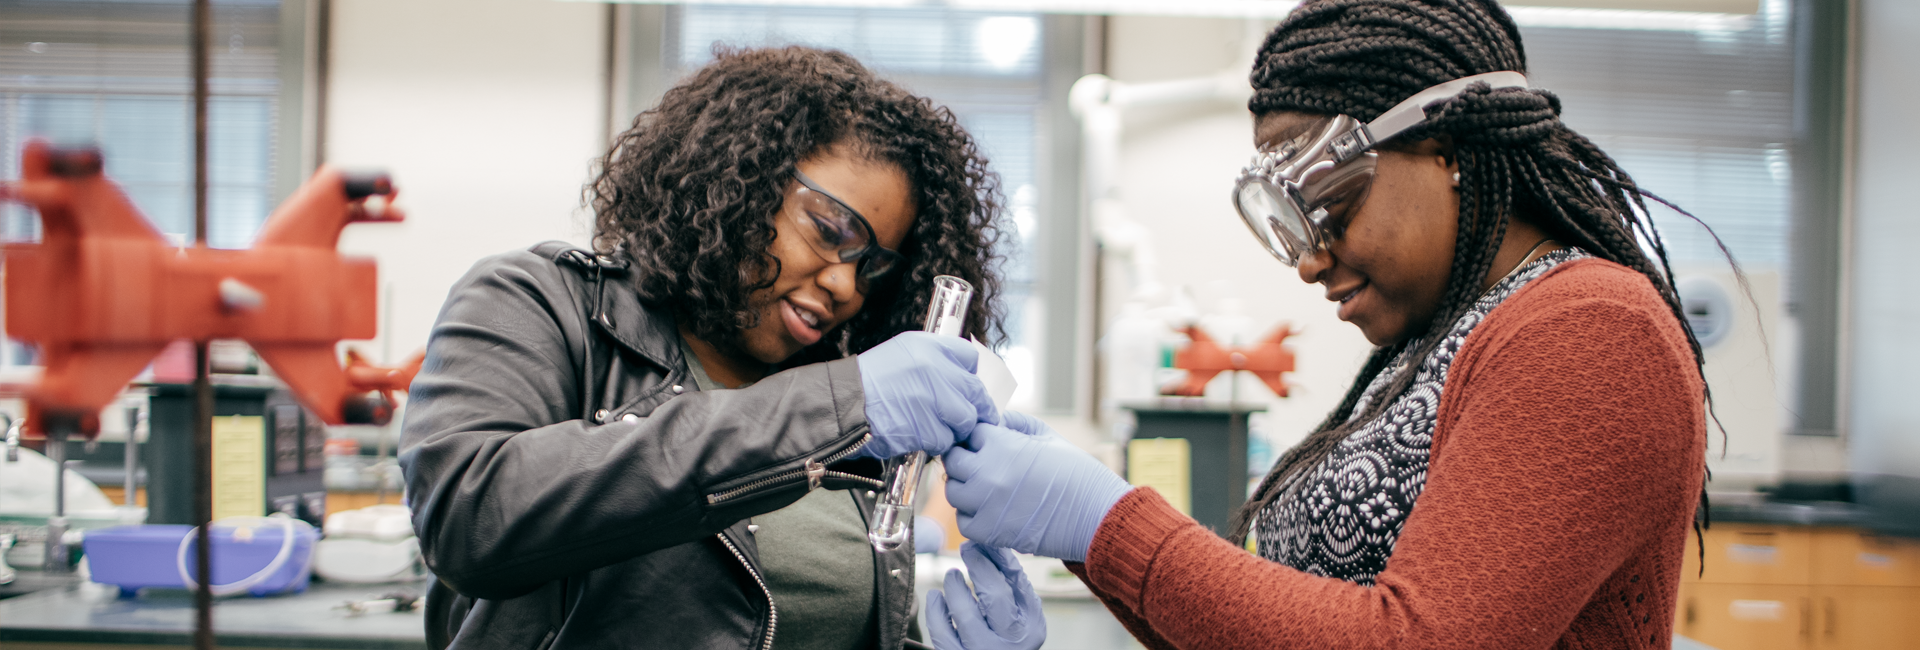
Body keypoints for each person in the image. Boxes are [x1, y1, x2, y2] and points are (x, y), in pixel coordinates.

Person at [929, 1, 1725, 647]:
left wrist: (1107, 522)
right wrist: (1083, 539)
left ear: (1443, 141)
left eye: (1330, 205)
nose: (1309, 261)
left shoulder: (1590, 332)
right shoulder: (1442, 341)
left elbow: (1417, 641)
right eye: (1293, 226)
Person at [400, 46, 1016, 650]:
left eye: (874, 268)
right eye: (830, 233)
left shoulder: (849, 407)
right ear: (739, 181)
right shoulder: (539, 303)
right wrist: (840, 404)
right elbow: (469, 519)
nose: (845, 284)